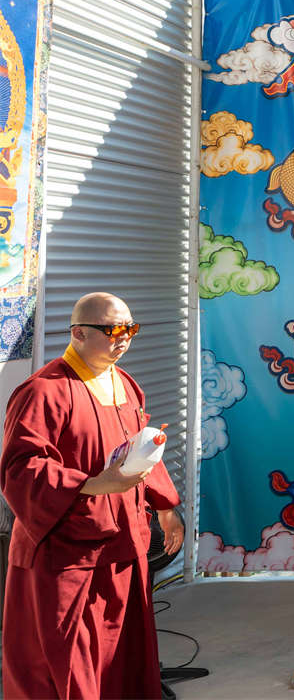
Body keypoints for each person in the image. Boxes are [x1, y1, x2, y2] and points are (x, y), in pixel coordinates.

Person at [1, 292, 182, 699]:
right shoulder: (44, 391)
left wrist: (165, 505)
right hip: (67, 554)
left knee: (122, 658)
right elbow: (20, 469)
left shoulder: (125, 384)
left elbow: (141, 447)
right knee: (68, 663)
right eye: (113, 330)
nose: (124, 338)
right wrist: (95, 484)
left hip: (123, 545)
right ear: (79, 333)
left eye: (130, 329)